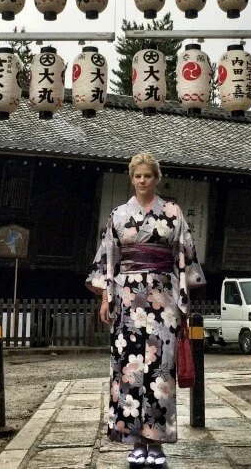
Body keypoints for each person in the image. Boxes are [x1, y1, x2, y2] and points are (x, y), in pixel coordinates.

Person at [86, 152, 206, 467]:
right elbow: (108, 258)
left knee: (161, 370)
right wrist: (104, 297)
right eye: (137, 176)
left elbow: (184, 255)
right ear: (131, 178)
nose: (142, 181)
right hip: (126, 299)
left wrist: (183, 301)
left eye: (147, 176)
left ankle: (157, 442)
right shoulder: (118, 214)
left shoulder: (172, 212)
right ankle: (135, 442)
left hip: (163, 296)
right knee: (129, 369)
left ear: (157, 178)